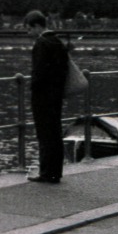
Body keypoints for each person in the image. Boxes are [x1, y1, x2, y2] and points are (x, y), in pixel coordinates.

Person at [26, 13, 69, 183]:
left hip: (42, 96)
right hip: (56, 94)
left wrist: (33, 88)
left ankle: (46, 173)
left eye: (29, 28)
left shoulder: (41, 43)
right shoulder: (57, 42)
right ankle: (55, 172)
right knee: (55, 133)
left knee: (44, 134)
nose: (28, 32)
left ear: (37, 26)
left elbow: (39, 73)